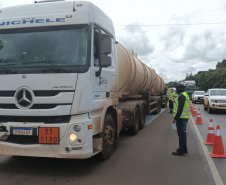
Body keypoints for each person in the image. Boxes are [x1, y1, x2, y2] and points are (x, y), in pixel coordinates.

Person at [172, 84, 190, 156]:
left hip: (181, 118)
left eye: (177, 89)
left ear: (179, 89)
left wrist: (175, 118)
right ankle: (184, 149)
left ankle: (181, 150)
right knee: (183, 134)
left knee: (181, 134)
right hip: (184, 117)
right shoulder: (185, 94)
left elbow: (180, 108)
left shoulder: (181, 96)